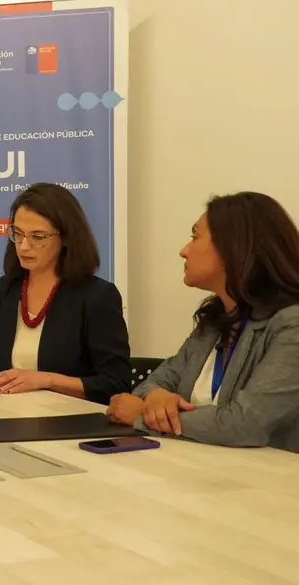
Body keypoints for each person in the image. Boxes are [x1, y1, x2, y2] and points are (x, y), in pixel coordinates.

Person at [107, 192, 299, 452]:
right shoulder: (214, 321)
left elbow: (245, 424)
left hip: (268, 475)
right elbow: (154, 383)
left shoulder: (291, 325)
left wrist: (143, 417)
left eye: (195, 237)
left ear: (232, 249)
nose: (183, 251)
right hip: (201, 466)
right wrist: (156, 396)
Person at [0, 182, 131, 404]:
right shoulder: (6, 290)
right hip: (14, 413)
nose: (24, 246)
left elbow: (115, 384)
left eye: (38, 236)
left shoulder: (97, 296)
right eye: (17, 234)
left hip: (74, 419)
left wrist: (46, 380)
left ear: (66, 237)